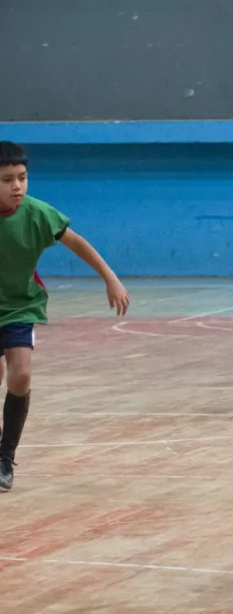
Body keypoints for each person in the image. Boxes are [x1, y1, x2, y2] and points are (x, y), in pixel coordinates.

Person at [0, 141, 130, 492]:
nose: (17, 186)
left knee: (21, 374)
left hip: (19, 305)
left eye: (22, 178)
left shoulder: (38, 213)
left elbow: (76, 241)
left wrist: (110, 277)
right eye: (8, 179)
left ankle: (5, 457)